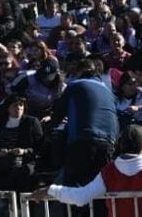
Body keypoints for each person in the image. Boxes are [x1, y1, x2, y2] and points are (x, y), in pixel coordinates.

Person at [51, 59, 119, 187]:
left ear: (79, 72)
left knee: (73, 189)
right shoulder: (109, 92)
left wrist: (51, 128)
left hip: (83, 141)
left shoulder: (75, 85)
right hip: (109, 145)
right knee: (101, 189)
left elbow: (58, 114)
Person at [0, 94, 44, 191]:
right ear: (7, 108)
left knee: (20, 173)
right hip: (1, 160)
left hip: (25, 161)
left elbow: (40, 146)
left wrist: (24, 151)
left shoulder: (32, 122)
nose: (18, 108)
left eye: (21, 105)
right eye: (15, 105)